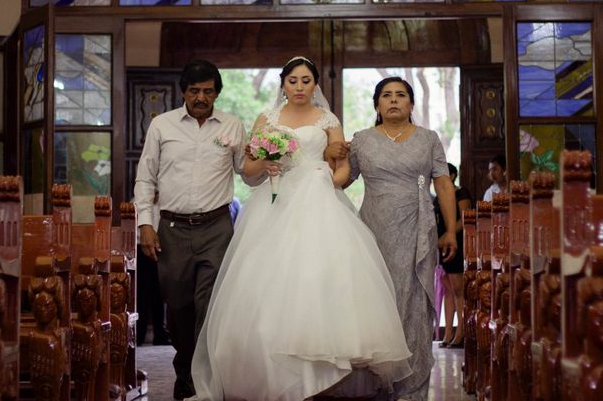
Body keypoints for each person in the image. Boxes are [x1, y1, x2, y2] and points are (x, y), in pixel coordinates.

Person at [189, 56, 412, 401]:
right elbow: (249, 171)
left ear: (315, 84)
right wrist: (269, 161)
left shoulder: (328, 119)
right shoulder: (268, 118)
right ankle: (273, 375)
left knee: (319, 280)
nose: (299, 87)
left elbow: (342, 168)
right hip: (274, 202)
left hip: (319, 199)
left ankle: (320, 371)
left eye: (306, 80)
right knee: (268, 287)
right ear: (283, 84)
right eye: (293, 81)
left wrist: (325, 176)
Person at [327, 76, 458, 400]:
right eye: (387, 95)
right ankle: (378, 385)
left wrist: (451, 229)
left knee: (415, 304)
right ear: (377, 104)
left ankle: (412, 388)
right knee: (376, 303)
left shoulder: (428, 139)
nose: (394, 100)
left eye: (401, 95)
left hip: (417, 232)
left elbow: (442, 184)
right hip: (372, 231)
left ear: (411, 104)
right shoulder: (360, 141)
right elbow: (341, 180)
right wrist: (327, 156)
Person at [134, 59, 258, 400]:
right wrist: (146, 223)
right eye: (194, 91)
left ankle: (204, 384)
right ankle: (186, 370)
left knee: (211, 305)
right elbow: (145, 177)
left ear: (216, 92)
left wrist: (271, 158)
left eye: (207, 91)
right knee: (178, 308)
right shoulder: (162, 125)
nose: (201, 97)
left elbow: (245, 172)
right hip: (172, 228)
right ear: (184, 92)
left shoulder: (232, 125)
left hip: (217, 227)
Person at [434, 162, 472, 348]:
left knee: (458, 289)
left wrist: (447, 236)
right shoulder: (437, 198)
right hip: (442, 245)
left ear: (452, 175)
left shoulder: (461, 193)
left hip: (456, 243)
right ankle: (448, 333)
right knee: (448, 289)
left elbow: (465, 219)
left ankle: (461, 331)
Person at [136, 191, 170, 346]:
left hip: (161, 251)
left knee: (160, 294)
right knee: (142, 295)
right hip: (142, 252)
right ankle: (139, 333)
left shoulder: (167, 203)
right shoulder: (137, 203)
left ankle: (160, 334)